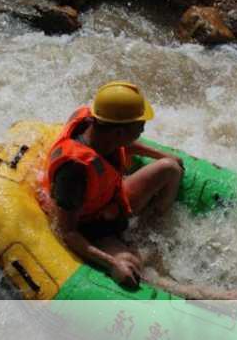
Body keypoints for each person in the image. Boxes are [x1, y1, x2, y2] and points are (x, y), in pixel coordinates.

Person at [41, 81, 184, 288]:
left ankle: (149, 229)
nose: (143, 131)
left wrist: (162, 155)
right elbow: (68, 232)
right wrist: (112, 264)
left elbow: (127, 143)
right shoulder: (74, 171)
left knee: (170, 168)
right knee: (132, 265)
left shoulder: (103, 128)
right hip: (90, 224)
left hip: (112, 199)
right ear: (119, 133)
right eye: (140, 127)